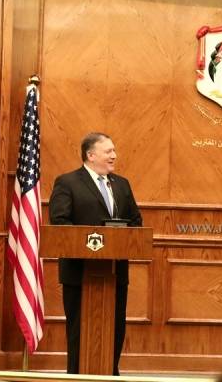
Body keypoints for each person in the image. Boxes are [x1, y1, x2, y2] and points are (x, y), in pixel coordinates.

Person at [49, 132, 142, 375]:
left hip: (114, 273)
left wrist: (119, 240)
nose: (114, 155)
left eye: (114, 151)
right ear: (91, 155)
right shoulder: (67, 182)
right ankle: (77, 377)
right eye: (108, 151)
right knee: (79, 331)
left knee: (115, 328)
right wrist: (91, 243)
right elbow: (59, 222)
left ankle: (110, 374)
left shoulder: (121, 184)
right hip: (79, 273)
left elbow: (135, 222)